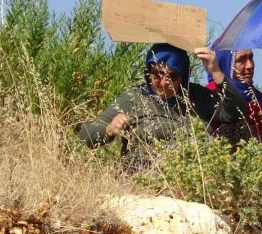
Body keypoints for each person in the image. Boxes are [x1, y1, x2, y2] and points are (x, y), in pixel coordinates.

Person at [76, 43, 246, 158]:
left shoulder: (196, 96)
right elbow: (86, 135)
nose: (163, 82)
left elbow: (235, 113)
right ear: (148, 71)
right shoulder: (134, 98)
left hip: (195, 179)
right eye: (156, 74)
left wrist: (215, 70)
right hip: (145, 176)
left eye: (172, 76)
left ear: (183, 76)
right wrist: (109, 128)